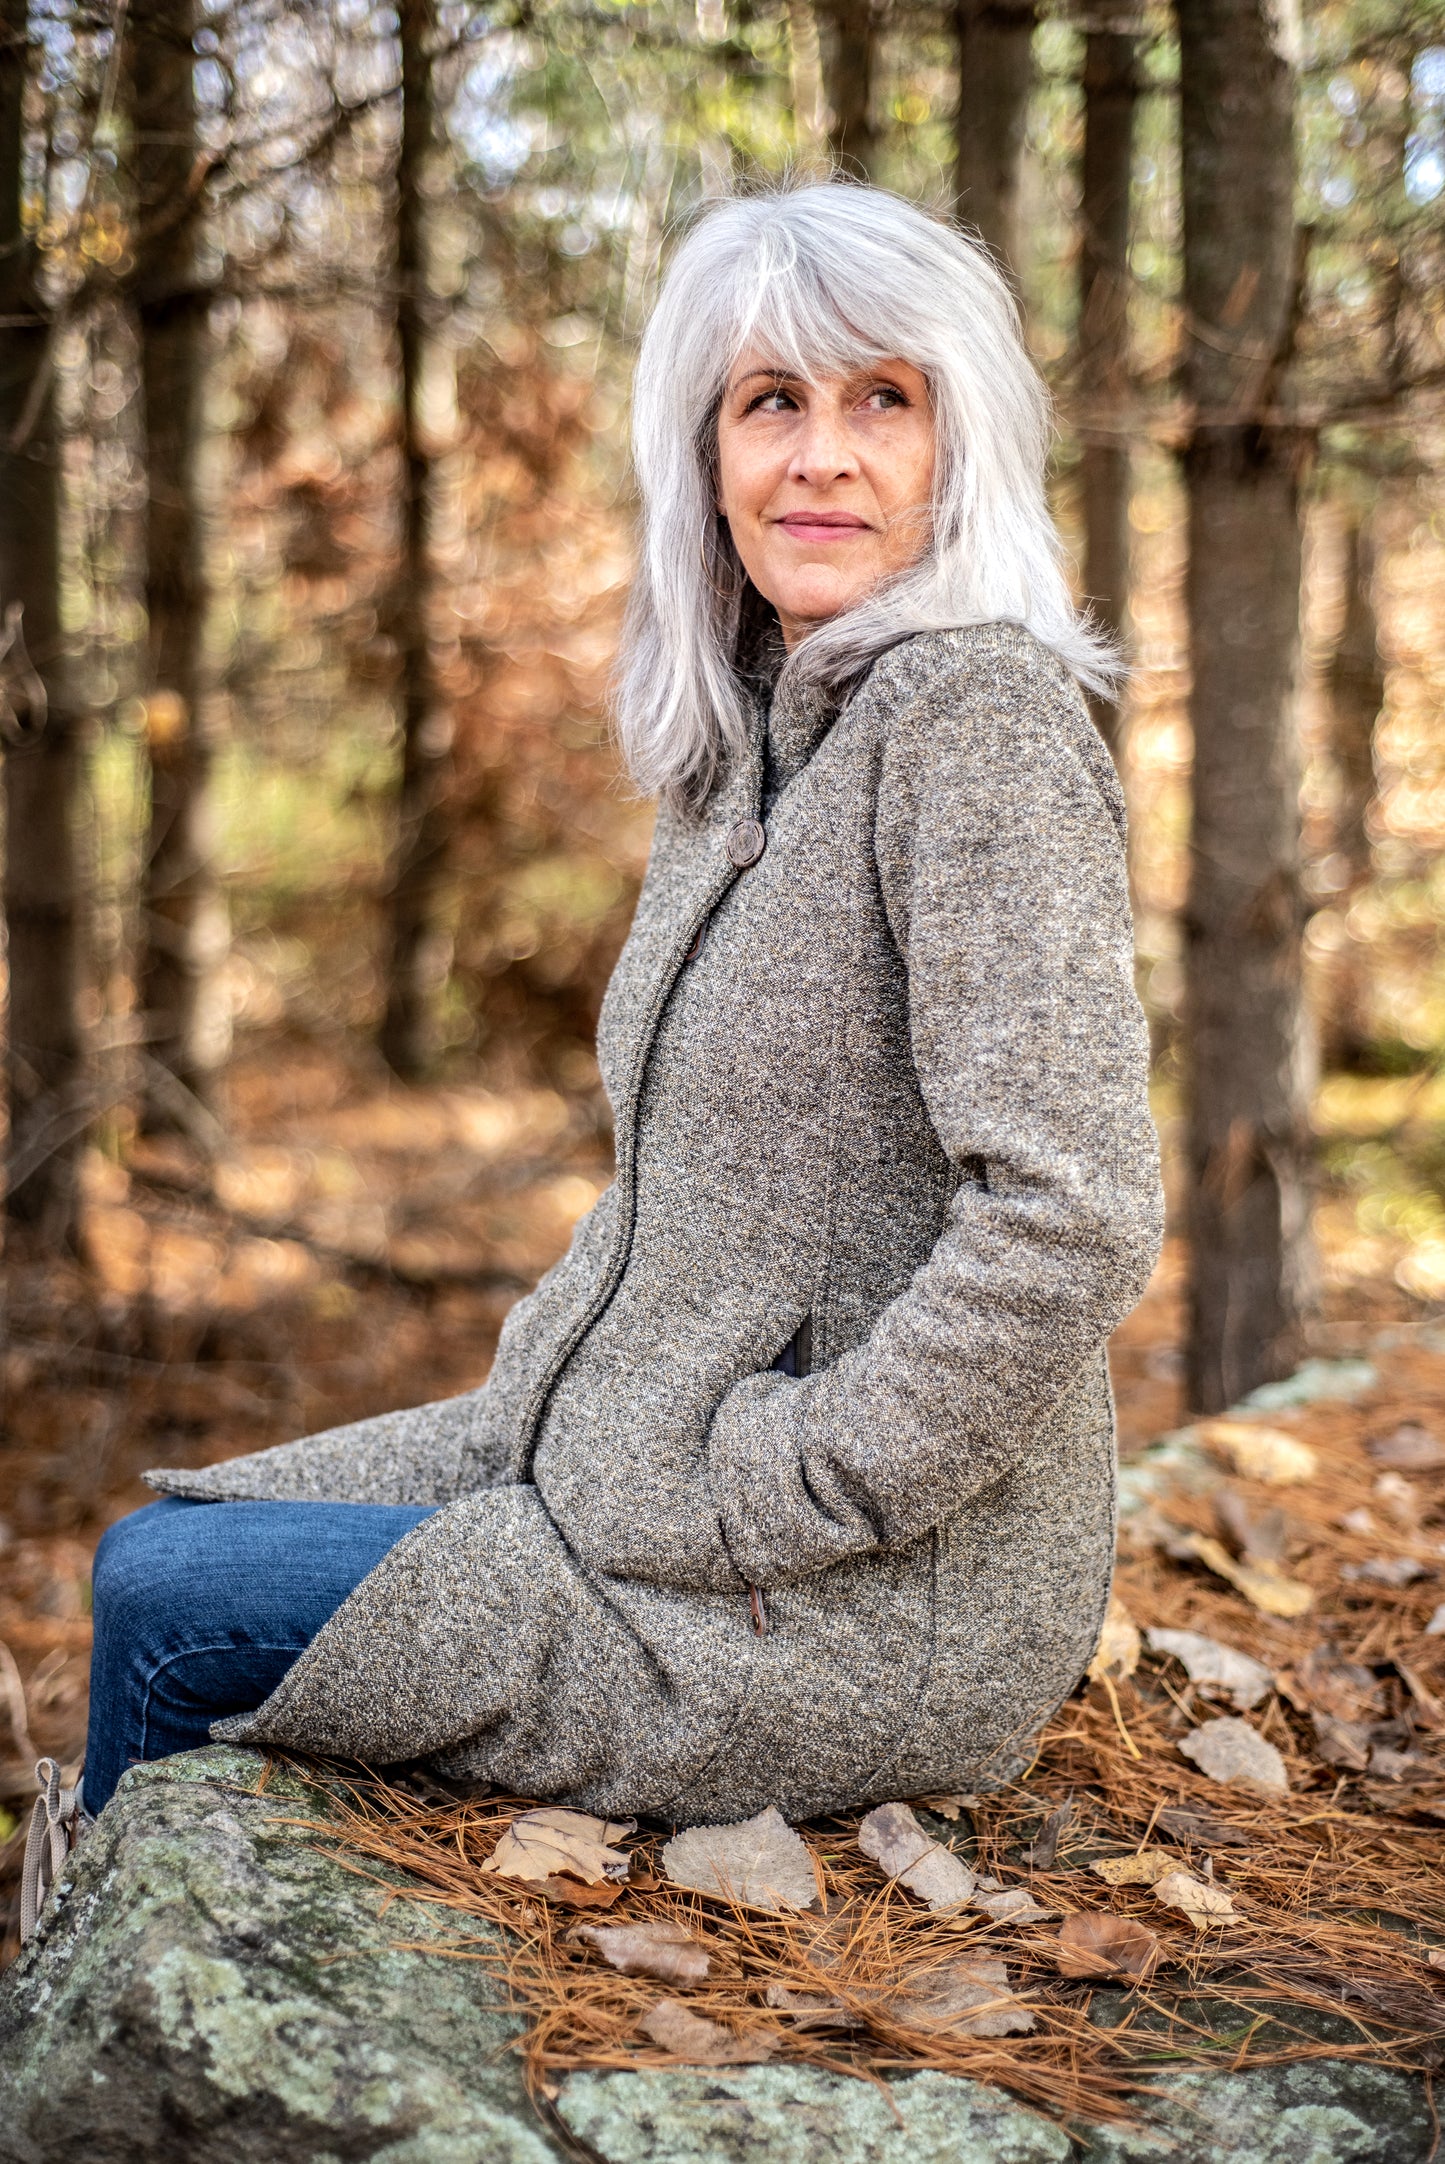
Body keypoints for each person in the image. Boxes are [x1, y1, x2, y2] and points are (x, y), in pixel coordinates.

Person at [28, 178, 1163, 1930]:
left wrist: (782, 1482)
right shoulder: (742, 753)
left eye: (883, 400)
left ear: (960, 445)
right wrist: (550, 1407)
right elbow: (681, 1199)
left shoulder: (976, 725)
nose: (822, 459)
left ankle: (114, 2052)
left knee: (177, 1599)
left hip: (855, 1597)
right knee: (154, 1542)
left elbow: (1071, 1217)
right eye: (770, 402)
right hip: (624, 1461)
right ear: (701, 453)